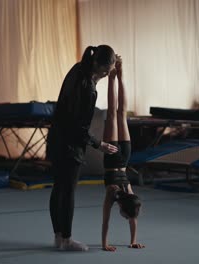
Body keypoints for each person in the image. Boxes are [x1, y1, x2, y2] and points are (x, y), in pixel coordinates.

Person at [47, 45, 119, 251]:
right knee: (68, 191)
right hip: (70, 144)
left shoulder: (77, 68)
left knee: (58, 188)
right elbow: (79, 127)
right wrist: (99, 144)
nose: (106, 75)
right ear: (97, 65)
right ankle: (67, 239)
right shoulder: (87, 87)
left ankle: (59, 237)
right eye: (106, 71)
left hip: (56, 138)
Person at [101, 55, 144, 251]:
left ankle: (119, 75)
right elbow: (106, 222)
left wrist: (133, 241)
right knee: (112, 113)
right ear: (123, 210)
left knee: (121, 113)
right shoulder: (114, 195)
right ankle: (112, 76)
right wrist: (105, 244)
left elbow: (133, 217)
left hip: (125, 154)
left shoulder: (130, 194)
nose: (129, 219)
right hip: (112, 156)